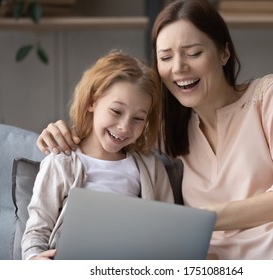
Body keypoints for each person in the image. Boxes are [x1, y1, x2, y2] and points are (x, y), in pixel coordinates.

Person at [36, 0, 273, 259]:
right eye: (166, 57)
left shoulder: (270, 94)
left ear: (224, 52)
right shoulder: (166, 128)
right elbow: (115, 137)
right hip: (224, 264)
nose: (179, 67)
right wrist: (64, 132)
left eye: (193, 53)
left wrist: (204, 219)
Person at [22, 50, 174, 260]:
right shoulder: (60, 161)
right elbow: (36, 232)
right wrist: (34, 259)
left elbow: (169, 231)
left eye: (138, 119)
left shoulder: (150, 167)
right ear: (92, 102)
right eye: (116, 111)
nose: (124, 127)